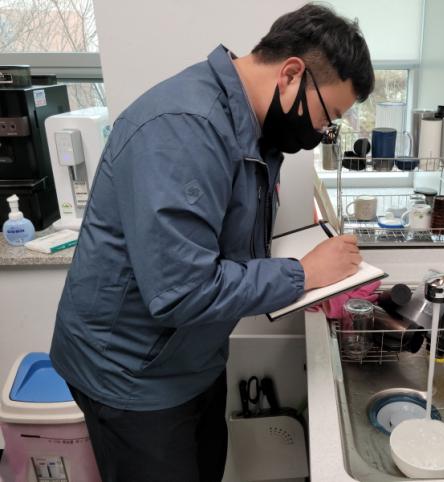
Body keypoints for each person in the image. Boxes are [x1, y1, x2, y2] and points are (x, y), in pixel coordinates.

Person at [49, 3, 374, 482]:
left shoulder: (254, 131)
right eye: (330, 116)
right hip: (132, 376)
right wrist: (303, 274)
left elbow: (226, 247)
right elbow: (181, 291)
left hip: (192, 358)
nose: (322, 133)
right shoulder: (183, 128)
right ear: (291, 74)